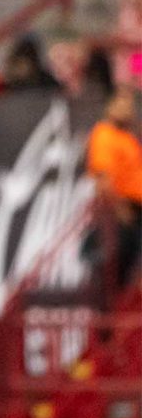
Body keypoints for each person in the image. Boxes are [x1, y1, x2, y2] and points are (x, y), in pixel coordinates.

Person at [86, 89, 142, 286]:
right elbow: (103, 177)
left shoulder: (126, 136)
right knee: (120, 264)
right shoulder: (104, 134)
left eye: (129, 107)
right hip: (124, 208)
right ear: (110, 108)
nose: (126, 110)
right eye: (120, 105)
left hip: (135, 207)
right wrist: (119, 208)